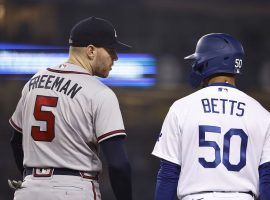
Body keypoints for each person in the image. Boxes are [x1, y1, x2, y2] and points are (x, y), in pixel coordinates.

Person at [9, 16, 132, 200]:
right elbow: (118, 164)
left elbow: (15, 142)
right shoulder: (100, 93)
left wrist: (33, 179)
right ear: (91, 50)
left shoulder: (34, 82)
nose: (115, 57)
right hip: (74, 189)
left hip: (30, 190)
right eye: (111, 50)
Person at [152, 33, 270, 200]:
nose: (196, 66)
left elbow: (168, 174)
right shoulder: (262, 114)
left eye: (198, 61)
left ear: (209, 62)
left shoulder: (182, 108)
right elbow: (267, 178)